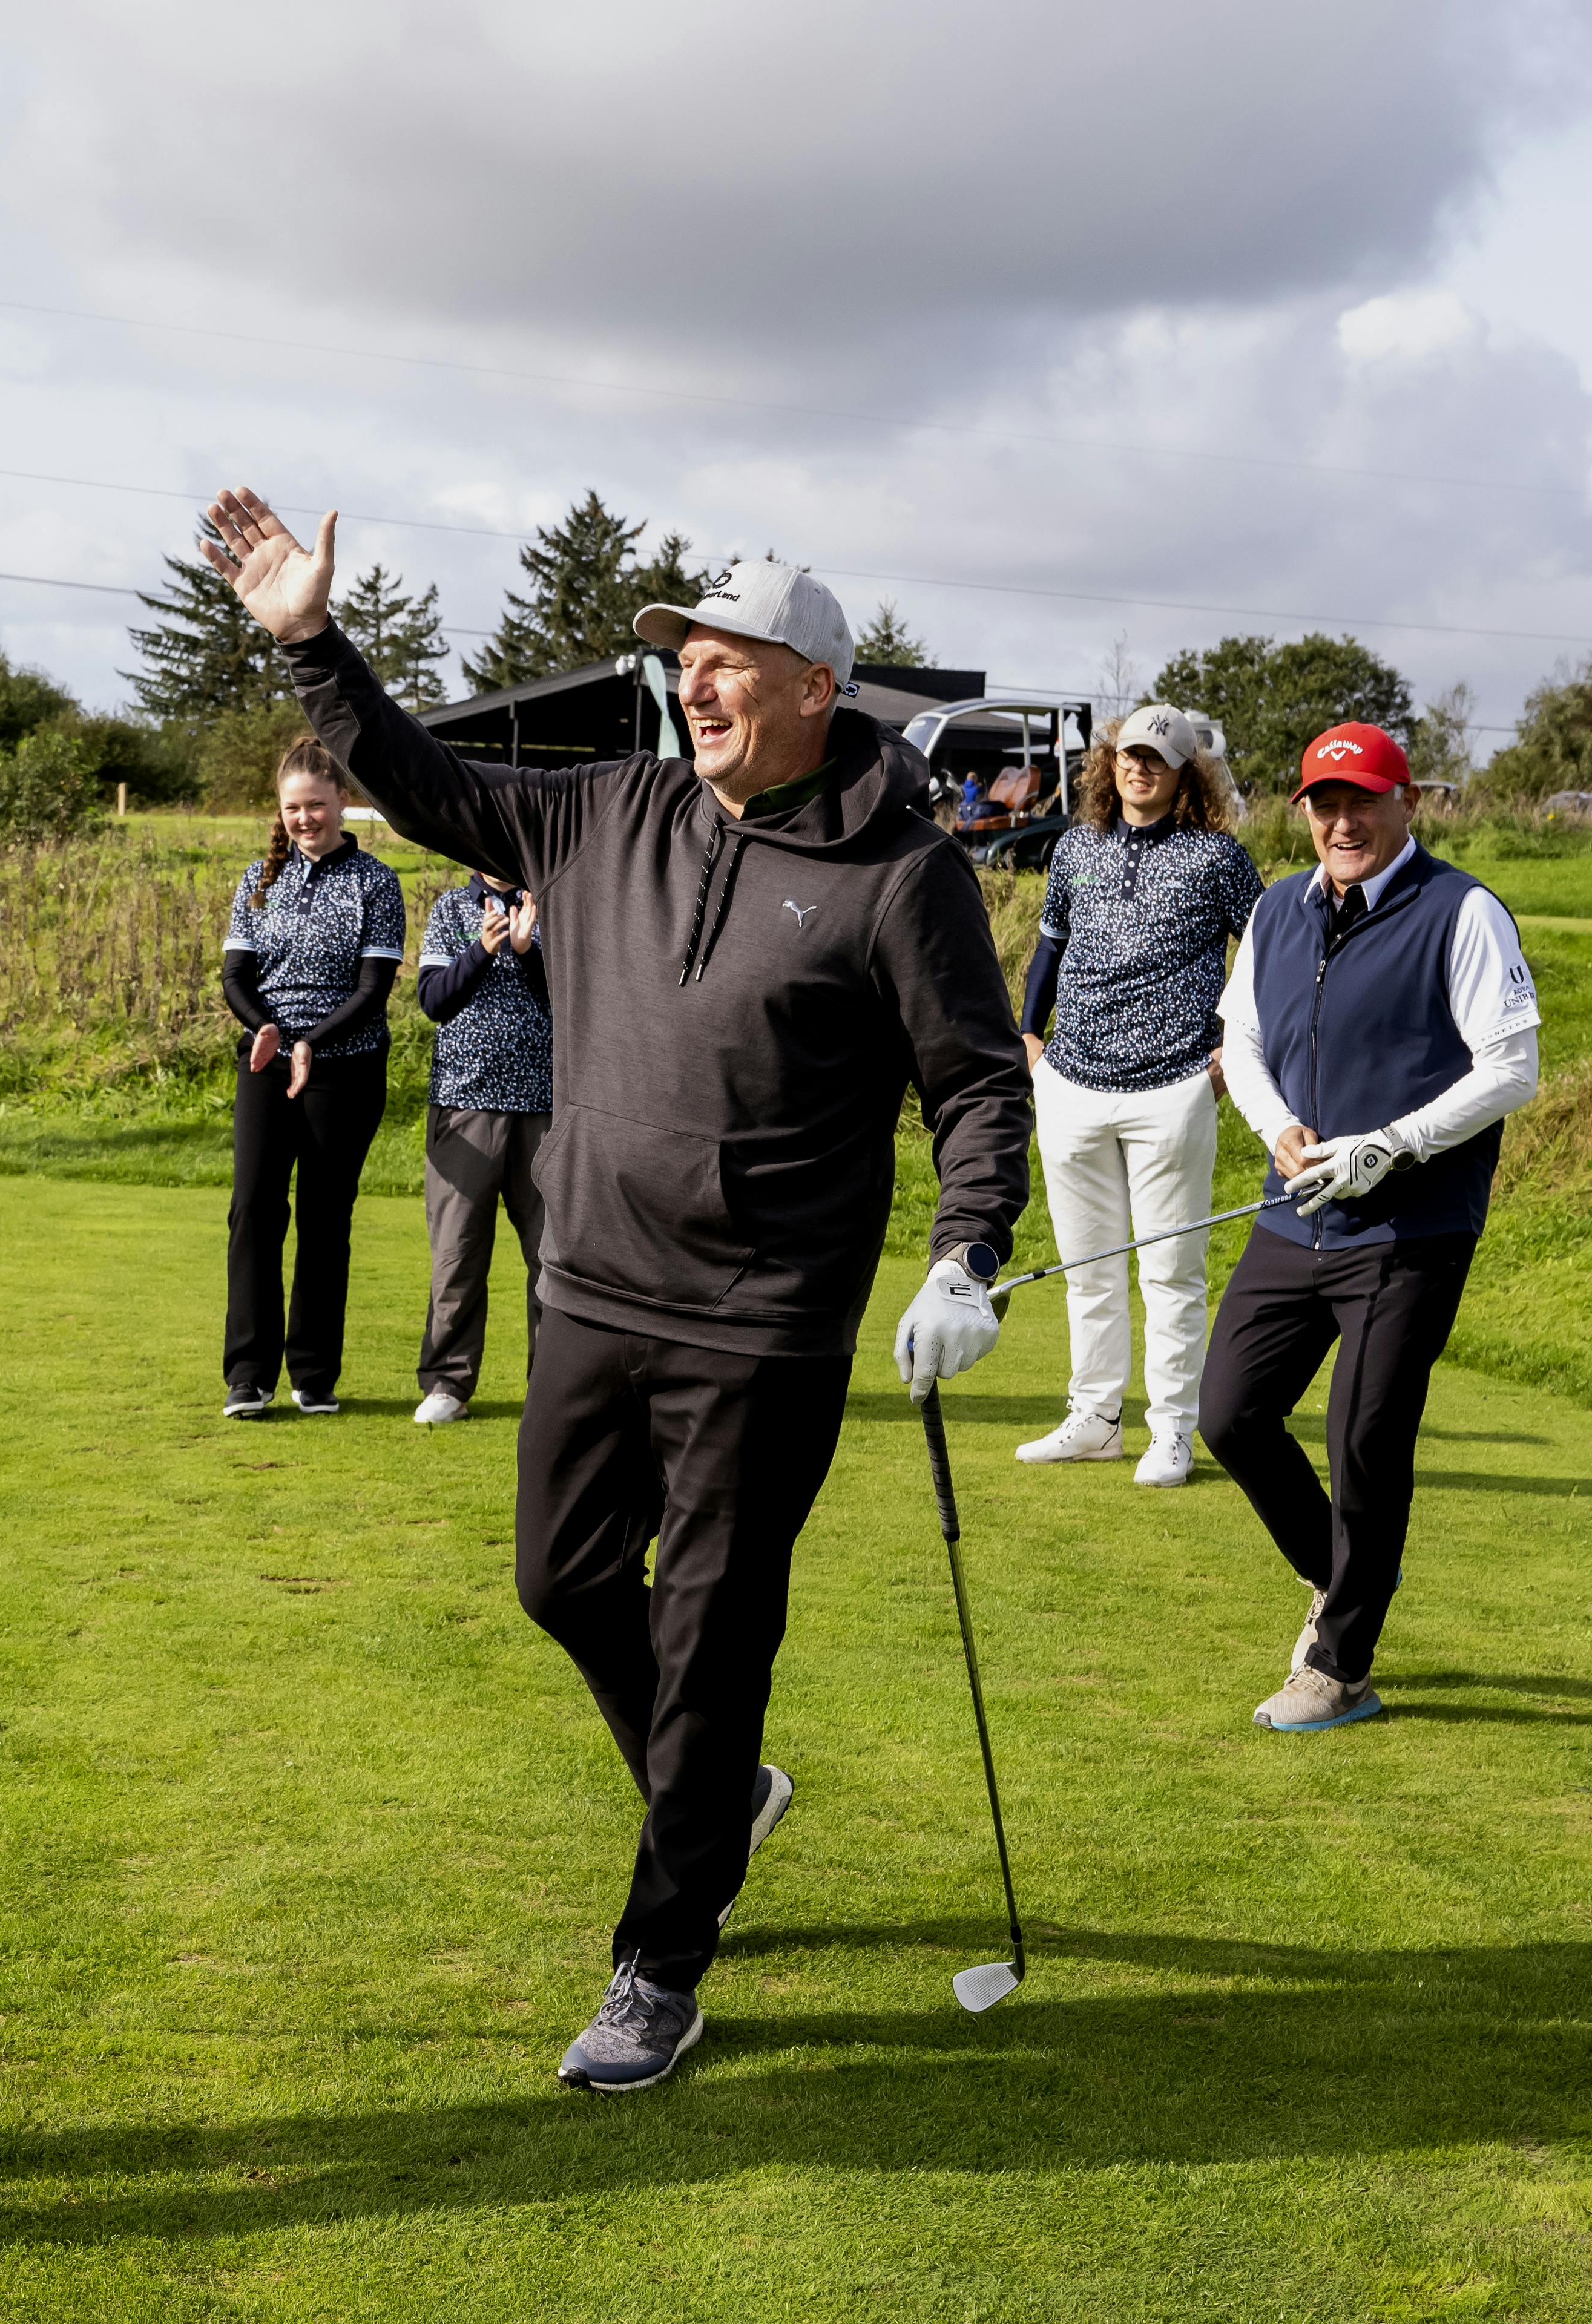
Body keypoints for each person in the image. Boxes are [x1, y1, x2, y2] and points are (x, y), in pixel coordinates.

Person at [200, 491, 1031, 2095]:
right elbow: (418, 780)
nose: (693, 683)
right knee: (560, 1578)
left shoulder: (902, 873)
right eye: (682, 660)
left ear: (814, 689)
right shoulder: (605, 811)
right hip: (587, 1286)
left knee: (712, 1640)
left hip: (761, 1323)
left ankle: (658, 1963)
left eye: (728, 660)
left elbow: (977, 1085)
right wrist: (310, 643)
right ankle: (717, 1797)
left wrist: (966, 1250)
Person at [1203, 722, 1538, 1732]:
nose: (1341, 823)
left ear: (1407, 803)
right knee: (1229, 1414)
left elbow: (1510, 1069)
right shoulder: (1277, 907)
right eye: (1324, 804)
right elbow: (1240, 1039)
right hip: (1296, 1210)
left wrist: (1392, 1144)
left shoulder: (1460, 910)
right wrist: (1277, 1127)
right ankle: (1342, 1573)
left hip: (1409, 1225)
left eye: (1361, 802)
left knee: (1363, 1438)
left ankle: (1339, 1667)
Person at [1012, 706, 1263, 1486]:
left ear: (1185, 773)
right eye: (1128, 754)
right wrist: (1028, 1035)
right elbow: (1049, 947)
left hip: (1172, 1086)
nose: (1138, 767)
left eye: (1156, 758)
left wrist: (1233, 1050)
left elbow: (1267, 957)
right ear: (1109, 761)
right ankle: (1094, 1419)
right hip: (1069, 1084)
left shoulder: (1216, 858)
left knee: (1169, 1272)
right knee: (1087, 1267)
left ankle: (1171, 1431)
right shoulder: (1074, 846)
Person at [219, 733, 406, 1418]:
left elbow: (373, 989)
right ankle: (249, 1375)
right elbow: (235, 976)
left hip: (345, 1068)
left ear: (342, 802)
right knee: (254, 1210)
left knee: (325, 1217)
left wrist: (311, 1041)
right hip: (265, 1060)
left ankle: (314, 1374)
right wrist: (268, 1028)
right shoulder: (258, 879)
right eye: (292, 808)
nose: (304, 819)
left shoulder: (375, 882)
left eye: (316, 806)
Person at [412, 867, 551, 1426]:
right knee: (458, 1252)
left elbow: (577, 999)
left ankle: (553, 1387)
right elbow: (434, 1000)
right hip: (464, 1104)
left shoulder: (553, 904)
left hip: (546, 1106)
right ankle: (448, 1382)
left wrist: (525, 951)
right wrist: (482, 951)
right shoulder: (450, 909)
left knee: (552, 1255)